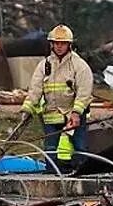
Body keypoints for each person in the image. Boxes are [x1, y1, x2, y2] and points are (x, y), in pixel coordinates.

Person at [20, 24, 94, 162]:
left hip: (73, 115)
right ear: (51, 44)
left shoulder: (79, 66)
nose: (59, 46)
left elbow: (84, 91)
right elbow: (35, 89)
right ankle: (52, 175)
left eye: (63, 43)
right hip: (51, 115)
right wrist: (27, 109)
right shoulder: (44, 65)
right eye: (56, 43)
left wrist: (76, 113)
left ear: (69, 45)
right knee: (50, 149)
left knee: (80, 148)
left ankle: (80, 174)